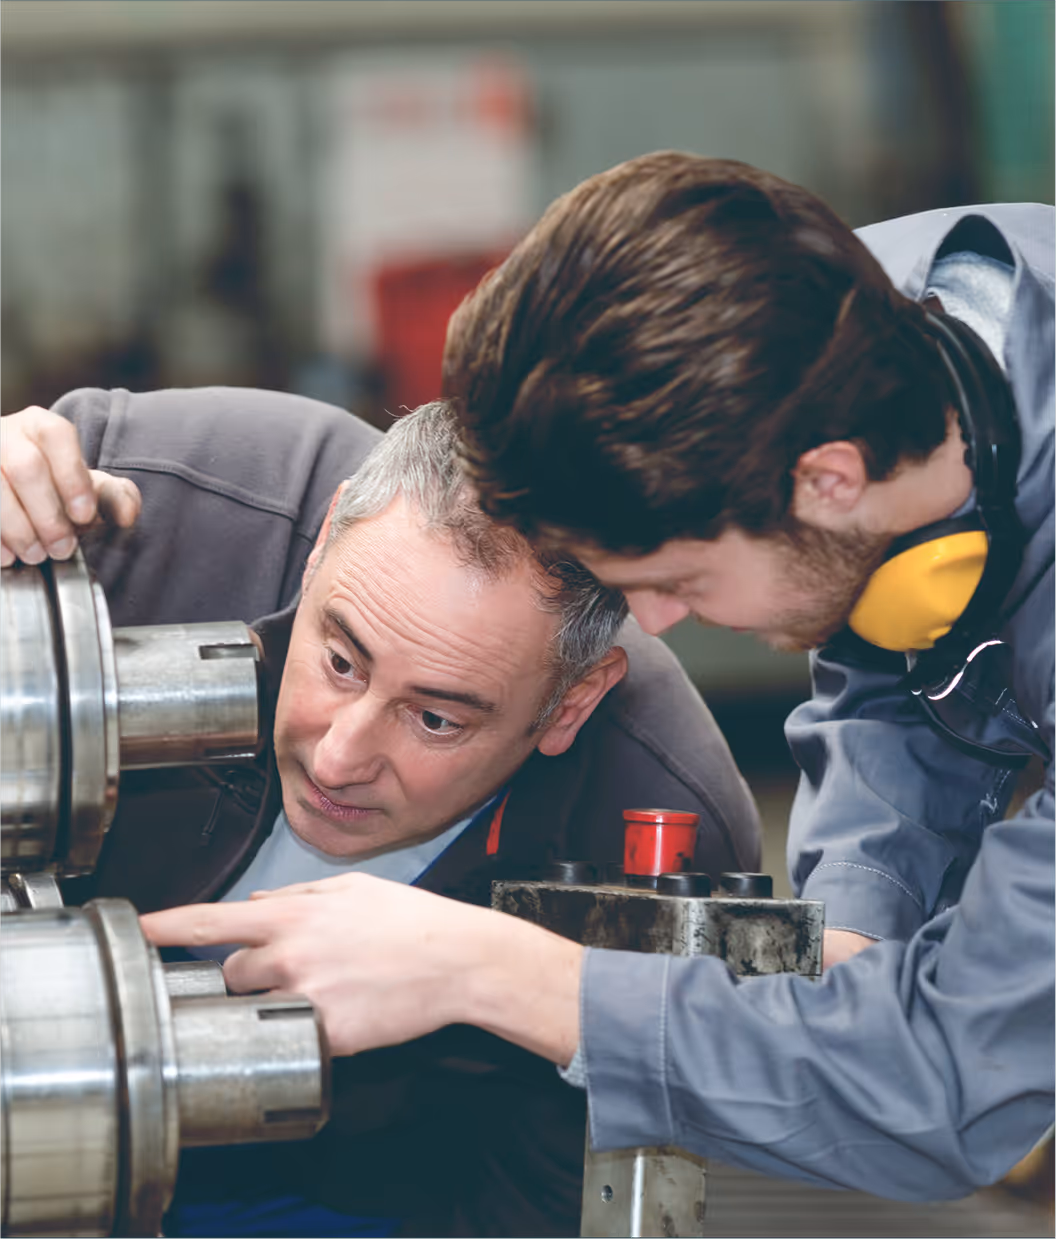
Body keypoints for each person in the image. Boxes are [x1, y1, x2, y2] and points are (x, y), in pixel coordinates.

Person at [142, 154, 1053, 1203]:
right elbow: (899, 642)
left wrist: (489, 972)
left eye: (679, 578)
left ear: (829, 478)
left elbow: (945, 1090)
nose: (657, 619)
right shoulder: (862, 338)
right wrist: (859, 926)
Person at [0, 386, 762, 1237]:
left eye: (436, 718)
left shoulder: (651, 827)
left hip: (327, 1189)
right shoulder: (143, 498)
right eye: (340, 660)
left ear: (570, 707)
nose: (337, 759)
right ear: (326, 536)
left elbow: (541, 1195)